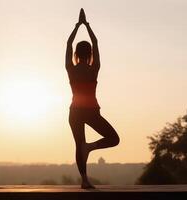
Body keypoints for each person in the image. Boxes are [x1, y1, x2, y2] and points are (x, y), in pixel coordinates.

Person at [65, 8, 120, 189]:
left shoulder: (71, 69)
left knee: (78, 145)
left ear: (76, 54)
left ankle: (84, 180)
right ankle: (89, 149)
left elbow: (68, 44)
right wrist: (86, 25)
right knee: (113, 139)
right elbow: (95, 42)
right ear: (89, 54)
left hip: (75, 112)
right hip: (90, 112)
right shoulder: (94, 68)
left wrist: (76, 26)